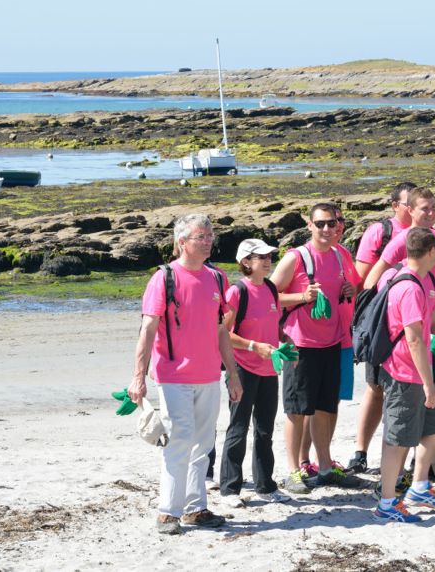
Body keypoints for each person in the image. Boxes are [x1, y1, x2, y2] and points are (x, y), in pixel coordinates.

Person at [128, 213, 243, 535]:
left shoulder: (217, 278)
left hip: (208, 375)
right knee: (179, 440)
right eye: (200, 237)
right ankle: (168, 511)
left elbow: (222, 331)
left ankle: (195, 508)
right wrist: (138, 375)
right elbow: (148, 329)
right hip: (173, 375)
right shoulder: (163, 278)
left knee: (203, 443)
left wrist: (232, 374)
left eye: (210, 236)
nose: (208, 242)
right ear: (182, 243)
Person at [350, 188, 435, 475]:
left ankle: (418, 469)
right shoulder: (402, 239)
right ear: (410, 211)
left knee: (430, 394)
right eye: (424, 208)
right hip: (397, 331)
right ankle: (362, 452)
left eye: (433, 208)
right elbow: (374, 276)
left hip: (429, 319)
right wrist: (375, 313)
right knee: (379, 391)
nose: (429, 213)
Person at [270, 202, 362, 492]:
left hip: (332, 342)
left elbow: (351, 287)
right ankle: (293, 471)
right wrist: (301, 296)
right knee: (296, 409)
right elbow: (267, 296)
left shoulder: (340, 255)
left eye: (332, 223)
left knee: (326, 408)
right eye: (320, 223)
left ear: (339, 225)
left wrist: (350, 290)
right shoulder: (296, 258)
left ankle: (324, 467)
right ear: (309, 226)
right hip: (300, 344)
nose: (326, 229)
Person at [373, 228, 435, 522]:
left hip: (415, 372)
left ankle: (418, 486)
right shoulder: (409, 287)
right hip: (405, 374)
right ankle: (387, 502)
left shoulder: (414, 279)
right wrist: (429, 383)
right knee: (397, 439)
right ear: (430, 251)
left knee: (434, 427)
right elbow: (414, 339)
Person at [216, 238, 290, 506]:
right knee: (238, 427)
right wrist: (252, 346)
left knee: (265, 430)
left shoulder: (270, 288)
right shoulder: (237, 292)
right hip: (242, 368)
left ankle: (265, 486)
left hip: (269, 368)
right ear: (246, 262)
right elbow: (223, 332)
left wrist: (285, 339)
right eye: (262, 257)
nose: (268, 261)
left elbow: (273, 325)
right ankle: (229, 489)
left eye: (270, 256)